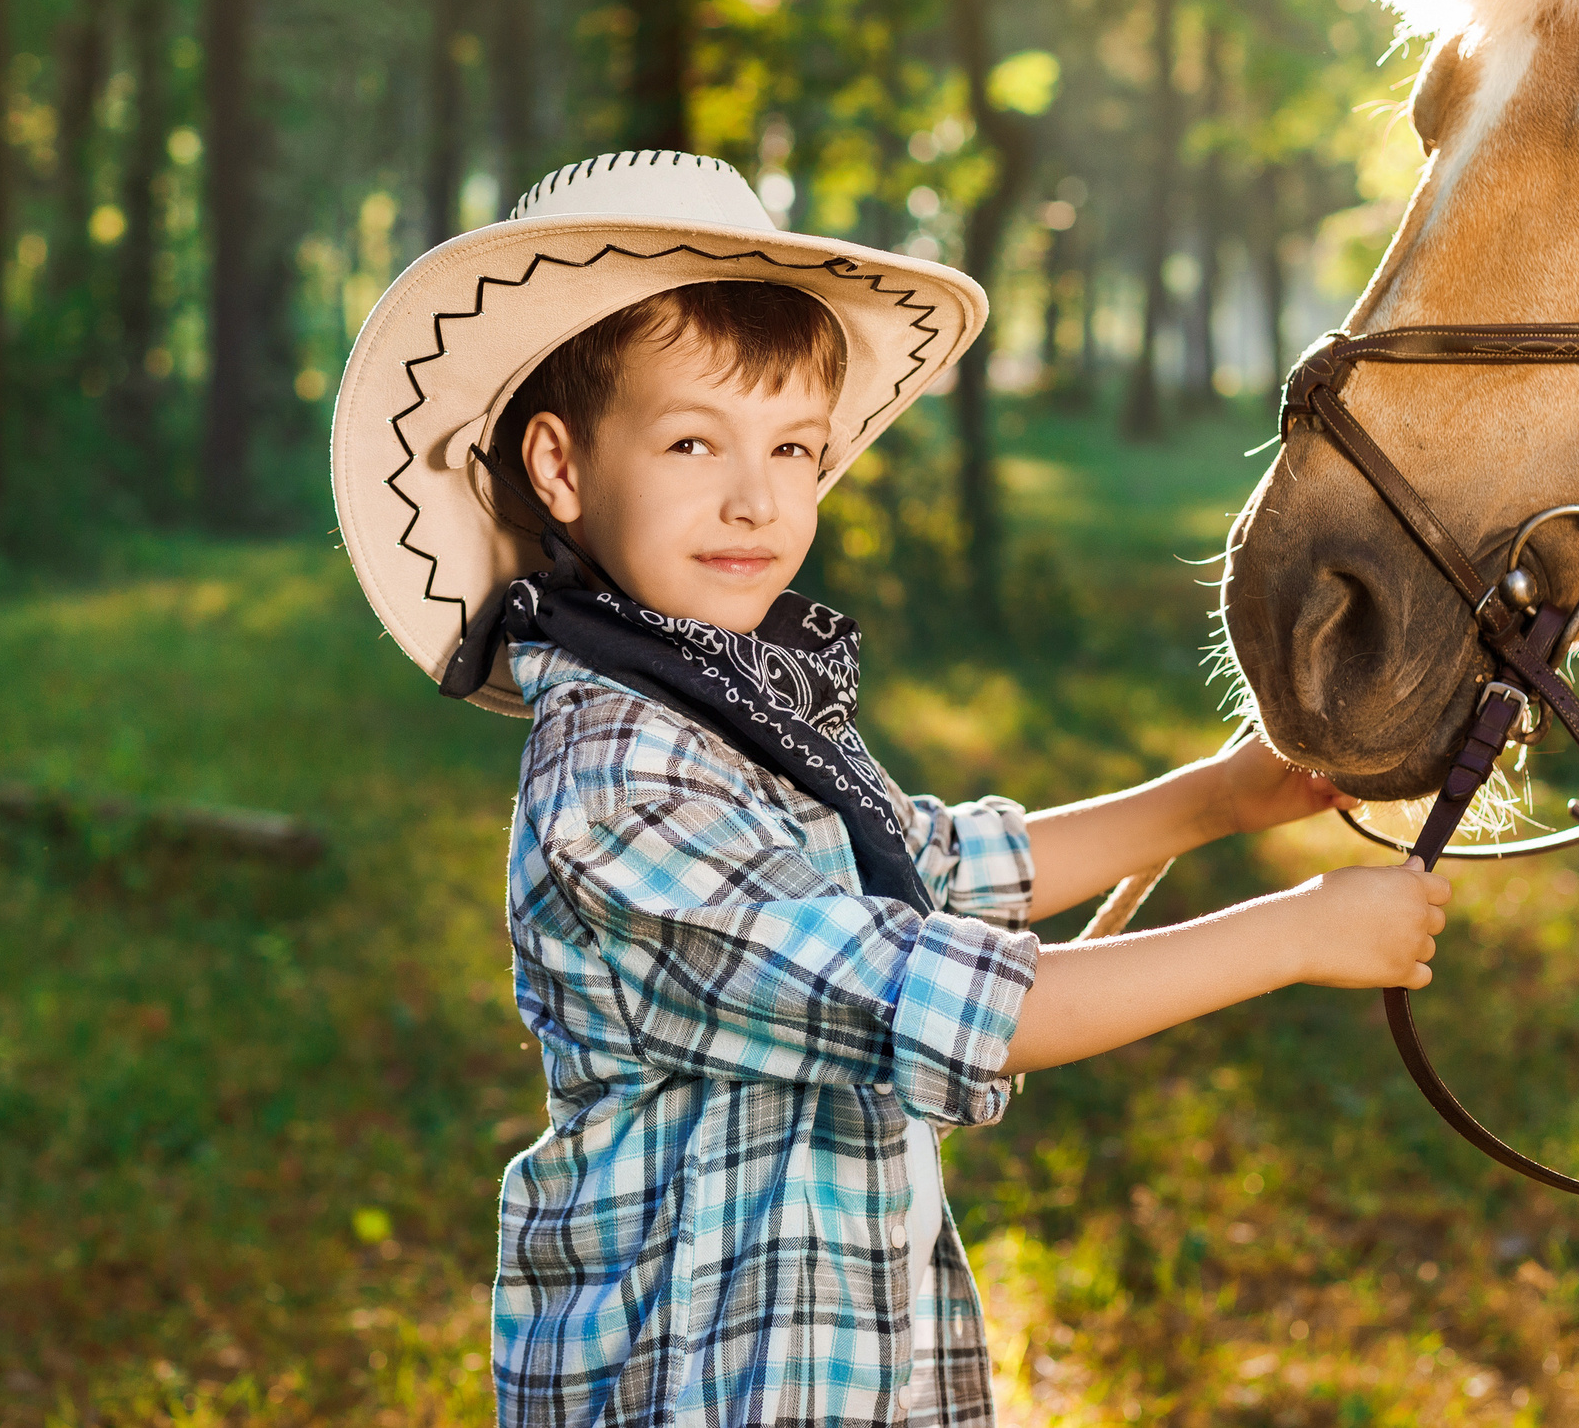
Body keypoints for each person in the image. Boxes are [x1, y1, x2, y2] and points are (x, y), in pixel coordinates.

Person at [332, 152, 1453, 1427]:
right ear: (562, 467)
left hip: (841, 1357)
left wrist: (1210, 799)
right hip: (703, 1385)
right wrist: (1295, 932)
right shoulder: (620, 779)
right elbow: (952, 1001)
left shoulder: (715, 708)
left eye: (794, 446)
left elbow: (924, 863)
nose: (757, 495)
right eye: (693, 439)